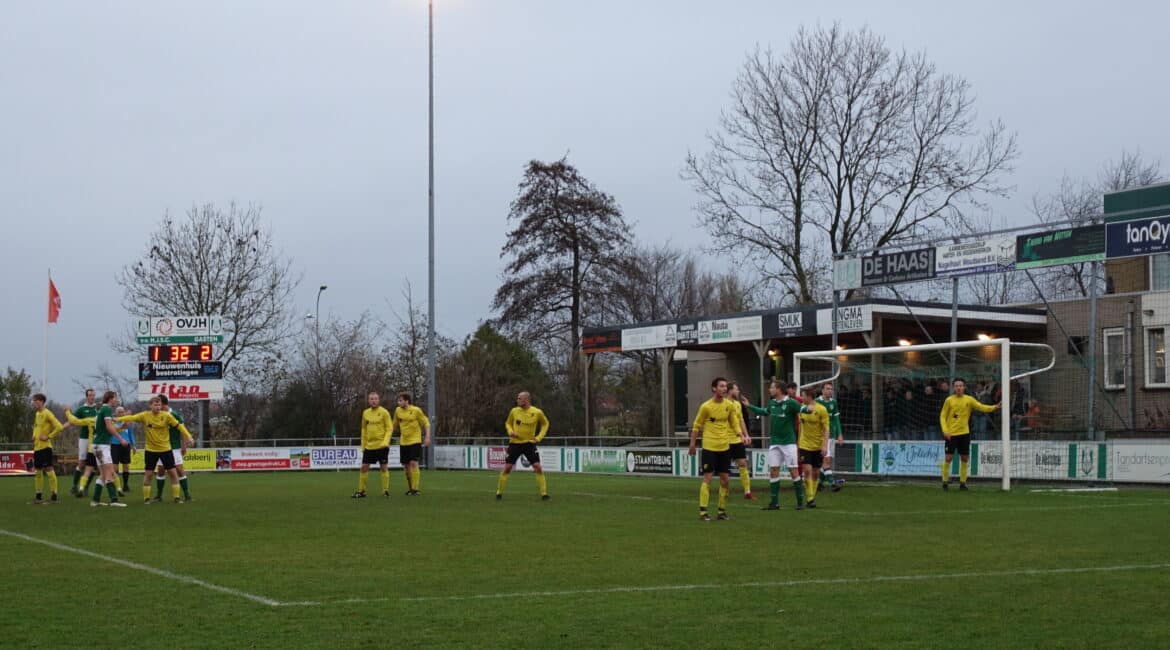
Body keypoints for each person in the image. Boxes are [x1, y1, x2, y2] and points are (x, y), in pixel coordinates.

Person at [116, 396, 192, 503]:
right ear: (150, 405)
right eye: (155, 405)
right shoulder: (145, 415)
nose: (157, 407)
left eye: (159, 405)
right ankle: (146, 499)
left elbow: (179, 426)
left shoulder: (166, 416)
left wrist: (189, 436)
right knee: (149, 474)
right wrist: (116, 419)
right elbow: (131, 418)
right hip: (151, 451)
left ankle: (177, 497)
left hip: (166, 449)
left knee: (173, 473)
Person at [743, 380, 805, 510]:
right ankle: (774, 503)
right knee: (773, 470)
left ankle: (800, 502)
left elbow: (804, 410)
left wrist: (810, 408)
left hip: (788, 443)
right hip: (775, 443)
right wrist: (750, 406)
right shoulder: (772, 403)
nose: (769, 390)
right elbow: (765, 412)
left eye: (771, 387)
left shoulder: (791, 403)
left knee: (793, 471)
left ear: (779, 389)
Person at [687, 377, 741, 521]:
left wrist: (740, 434)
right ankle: (703, 512)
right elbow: (696, 426)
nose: (724, 389)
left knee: (725, 480)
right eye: (721, 386)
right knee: (708, 479)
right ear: (714, 389)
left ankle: (721, 511)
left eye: (725, 386)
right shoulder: (706, 407)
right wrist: (692, 444)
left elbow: (734, 421)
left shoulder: (729, 405)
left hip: (725, 447)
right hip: (709, 447)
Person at [939, 378, 1001, 491]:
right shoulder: (949, 400)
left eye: (961, 385)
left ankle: (963, 483)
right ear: (954, 388)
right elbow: (942, 416)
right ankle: (945, 481)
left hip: (964, 434)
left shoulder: (969, 399)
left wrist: (994, 407)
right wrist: (945, 430)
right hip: (951, 434)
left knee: (964, 458)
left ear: (964, 387)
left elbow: (981, 406)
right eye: (956, 386)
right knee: (948, 458)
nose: (958, 388)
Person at [496, 391, 551, 501]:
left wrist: (539, 437)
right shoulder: (514, 411)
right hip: (515, 444)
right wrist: (510, 431)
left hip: (529, 444)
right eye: (518, 398)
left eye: (519, 398)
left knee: (538, 467)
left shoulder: (537, 412)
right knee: (507, 468)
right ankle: (499, 493)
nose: (517, 400)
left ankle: (544, 494)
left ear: (526, 400)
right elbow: (507, 423)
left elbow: (545, 424)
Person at [89, 391, 128, 507]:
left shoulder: (103, 409)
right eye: (115, 398)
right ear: (110, 399)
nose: (116, 400)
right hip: (102, 446)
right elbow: (109, 427)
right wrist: (121, 439)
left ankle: (95, 501)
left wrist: (120, 427)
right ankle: (114, 500)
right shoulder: (106, 409)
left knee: (103, 474)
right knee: (110, 472)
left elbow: (106, 428)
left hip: (97, 445)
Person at [354, 391, 393, 498]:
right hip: (369, 446)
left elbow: (389, 428)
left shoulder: (384, 412)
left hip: (382, 446)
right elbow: (363, 429)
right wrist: (363, 444)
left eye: (375, 399)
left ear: (378, 400)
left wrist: (385, 442)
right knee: (364, 467)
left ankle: (385, 491)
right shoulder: (365, 413)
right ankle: (362, 491)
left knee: (383, 467)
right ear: (368, 400)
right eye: (371, 399)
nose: (373, 401)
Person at [797, 386, 830, 509]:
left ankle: (812, 495)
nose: (801, 397)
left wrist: (825, 445)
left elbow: (826, 429)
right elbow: (800, 427)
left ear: (809, 396)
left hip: (818, 446)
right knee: (807, 471)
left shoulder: (822, 409)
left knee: (816, 473)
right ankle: (810, 499)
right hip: (805, 445)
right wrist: (798, 443)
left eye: (803, 395)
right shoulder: (802, 409)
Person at [158, 395, 194, 501]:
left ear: (163, 404)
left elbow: (182, 430)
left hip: (174, 447)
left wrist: (184, 445)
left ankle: (187, 494)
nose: (157, 406)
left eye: (159, 404)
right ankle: (159, 495)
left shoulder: (175, 414)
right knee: (160, 470)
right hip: (161, 447)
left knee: (179, 470)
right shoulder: (158, 415)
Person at [394, 392, 431, 496]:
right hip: (403, 441)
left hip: (415, 441)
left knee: (413, 463)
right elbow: (394, 425)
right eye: (398, 400)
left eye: (400, 400)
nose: (399, 402)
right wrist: (386, 436)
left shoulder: (416, 410)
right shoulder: (398, 411)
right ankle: (410, 488)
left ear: (407, 401)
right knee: (406, 467)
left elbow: (426, 423)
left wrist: (427, 437)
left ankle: (415, 489)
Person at [31, 393, 64, 504]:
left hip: (45, 448)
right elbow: (36, 427)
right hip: (37, 448)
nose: (34, 403)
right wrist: (34, 435)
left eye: (35, 401)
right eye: (33, 401)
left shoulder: (47, 413)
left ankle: (54, 496)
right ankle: (38, 496)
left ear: (41, 401)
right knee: (38, 472)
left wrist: (48, 436)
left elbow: (59, 427)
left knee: (49, 471)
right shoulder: (37, 414)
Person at [66, 388, 99, 496]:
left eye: (93, 395)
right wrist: (61, 428)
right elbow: (72, 420)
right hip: (84, 439)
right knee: (81, 463)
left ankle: (85, 487)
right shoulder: (81, 409)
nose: (92, 397)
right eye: (90, 395)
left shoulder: (98, 409)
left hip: (96, 441)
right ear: (86, 396)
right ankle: (74, 486)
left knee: (93, 465)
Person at [726, 381, 755, 500]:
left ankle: (747, 492)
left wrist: (746, 435)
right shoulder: (724, 404)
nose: (738, 392)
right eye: (736, 389)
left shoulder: (738, 404)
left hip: (737, 440)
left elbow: (741, 420)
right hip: (725, 440)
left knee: (743, 464)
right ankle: (724, 491)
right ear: (730, 390)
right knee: (723, 468)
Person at [816, 382, 845, 492]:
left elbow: (836, 420)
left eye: (831, 389)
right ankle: (832, 483)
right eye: (827, 388)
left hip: (832, 435)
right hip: (822, 437)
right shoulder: (817, 402)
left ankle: (819, 483)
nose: (830, 391)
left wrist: (840, 434)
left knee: (828, 462)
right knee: (826, 460)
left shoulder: (834, 403)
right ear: (822, 390)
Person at [111, 405, 136, 496]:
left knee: (126, 466)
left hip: (126, 445)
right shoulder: (113, 421)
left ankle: (125, 485)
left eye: (122, 411)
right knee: (115, 467)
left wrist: (133, 445)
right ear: (116, 413)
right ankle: (116, 485)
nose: (121, 413)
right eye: (119, 412)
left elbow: (130, 433)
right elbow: (115, 430)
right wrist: (123, 423)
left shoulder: (127, 422)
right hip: (115, 445)